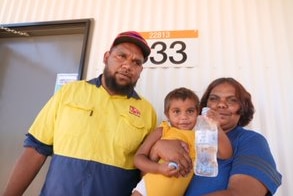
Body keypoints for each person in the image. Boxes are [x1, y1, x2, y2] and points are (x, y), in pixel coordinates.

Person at [3, 31, 158, 196]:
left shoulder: (147, 112)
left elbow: (146, 170)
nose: (127, 66)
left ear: (140, 70)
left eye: (136, 62)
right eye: (121, 56)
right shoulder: (70, 93)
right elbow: (36, 149)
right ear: (106, 57)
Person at [150, 77, 282, 196]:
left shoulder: (250, 140)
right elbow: (149, 178)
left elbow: (240, 194)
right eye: (214, 99)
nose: (221, 104)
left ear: (242, 108)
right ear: (203, 106)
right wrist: (158, 147)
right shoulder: (188, 136)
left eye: (232, 100)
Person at [132, 87, 233, 196]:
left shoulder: (201, 134)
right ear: (167, 114)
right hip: (146, 189)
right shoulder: (163, 130)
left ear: (197, 112)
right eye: (176, 111)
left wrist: (216, 127)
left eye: (190, 111)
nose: (184, 117)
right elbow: (138, 158)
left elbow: (226, 154)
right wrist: (159, 168)